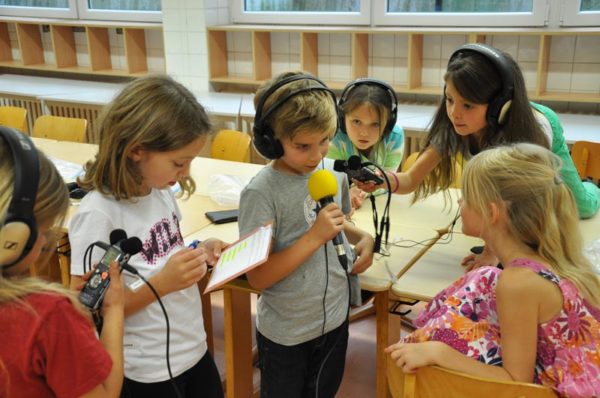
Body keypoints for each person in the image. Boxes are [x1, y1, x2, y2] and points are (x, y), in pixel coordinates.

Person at [356, 43, 600, 268]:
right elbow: (409, 181)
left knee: (582, 207)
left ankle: (593, 186)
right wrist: (383, 179)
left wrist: (491, 253)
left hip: (542, 136)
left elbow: (516, 204)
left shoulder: (531, 135)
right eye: (449, 100)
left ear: (498, 106)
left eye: (468, 105)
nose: (454, 113)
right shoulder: (455, 126)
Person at [386, 143, 600, 398]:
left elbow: (513, 381)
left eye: (466, 194)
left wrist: (440, 353)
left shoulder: (518, 283)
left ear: (491, 212)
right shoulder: (547, 258)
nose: (460, 199)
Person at [68, 76, 225, 398]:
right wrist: (163, 283)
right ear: (137, 150)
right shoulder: (99, 214)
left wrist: (199, 250)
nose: (185, 172)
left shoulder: (160, 192)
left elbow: (162, 256)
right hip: (144, 371)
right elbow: (87, 308)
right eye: (179, 163)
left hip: (193, 350)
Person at [239, 71, 375, 397]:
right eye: (303, 146)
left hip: (334, 320)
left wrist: (363, 239)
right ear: (271, 140)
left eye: (325, 140)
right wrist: (313, 237)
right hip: (287, 332)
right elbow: (258, 277)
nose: (317, 156)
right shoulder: (261, 193)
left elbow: (335, 223)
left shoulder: (331, 173)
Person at [0, 127, 124, 398]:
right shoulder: (49, 314)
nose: (46, 243)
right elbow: (106, 393)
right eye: (45, 233)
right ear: (14, 236)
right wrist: (114, 309)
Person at [327, 78, 404, 209]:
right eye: (356, 122)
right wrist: (346, 193)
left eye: (375, 124)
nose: (364, 133)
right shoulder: (334, 136)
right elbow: (331, 182)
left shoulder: (394, 137)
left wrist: (361, 192)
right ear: (342, 118)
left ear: (388, 124)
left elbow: (388, 179)